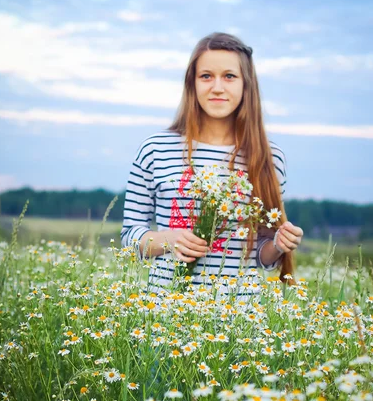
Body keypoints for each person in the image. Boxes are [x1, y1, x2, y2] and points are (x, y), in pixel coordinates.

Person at [121, 32, 303, 288]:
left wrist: (278, 245)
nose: (217, 87)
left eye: (229, 76)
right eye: (206, 76)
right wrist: (168, 239)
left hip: (240, 316)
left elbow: (262, 255)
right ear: (192, 83)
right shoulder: (156, 149)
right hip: (165, 312)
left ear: (246, 85)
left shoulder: (269, 157)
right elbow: (129, 238)